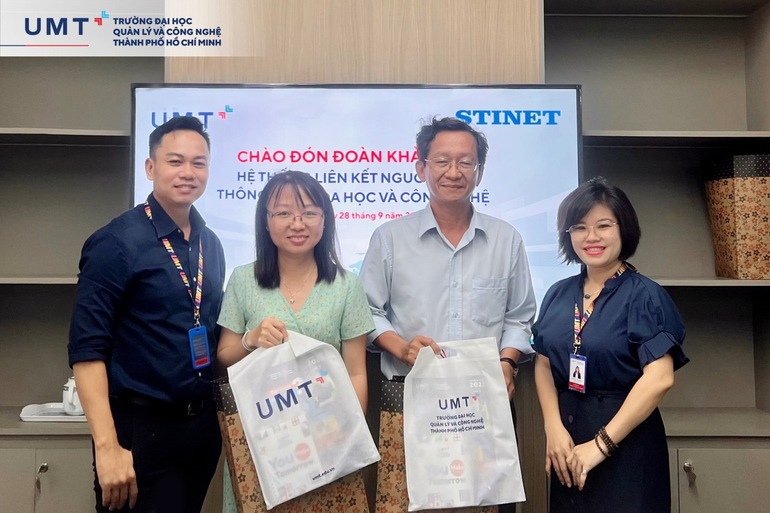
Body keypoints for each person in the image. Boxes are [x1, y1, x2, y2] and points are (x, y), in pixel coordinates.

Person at [359, 116, 537, 513]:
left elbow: (519, 317)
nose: (453, 172)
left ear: (479, 171)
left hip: (484, 399)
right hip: (411, 396)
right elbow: (367, 311)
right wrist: (402, 348)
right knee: (409, 504)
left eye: (465, 162)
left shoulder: (506, 239)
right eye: (441, 161)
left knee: (486, 503)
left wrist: (507, 363)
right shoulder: (390, 238)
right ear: (420, 167)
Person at [67, 115, 225, 513]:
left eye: (199, 163)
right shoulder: (115, 243)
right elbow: (87, 350)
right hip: (138, 431)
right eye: (175, 161)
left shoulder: (210, 243)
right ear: (151, 168)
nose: (188, 172)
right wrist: (107, 447)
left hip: (200, 430)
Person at [216, 170, 374, 512]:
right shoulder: (243, 280)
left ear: (325, 220)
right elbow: (225, 355)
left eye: (309, 213)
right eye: (284, 213)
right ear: (266, 221)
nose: (297, 223)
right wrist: (251, 339)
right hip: (265, 441)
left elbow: (356, 372)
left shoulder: (347, 286)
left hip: (328, 439)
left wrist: (346, 433)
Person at [532, 177, 689, 513]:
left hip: (627, 444)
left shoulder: (645, 295)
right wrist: (553, 429)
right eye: (579, 227)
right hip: (568, 445)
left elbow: (660, 379)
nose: (591, 237)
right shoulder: (558, 293)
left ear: (624, 229)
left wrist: (600, 446)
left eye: (603, 225)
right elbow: (543, 362)